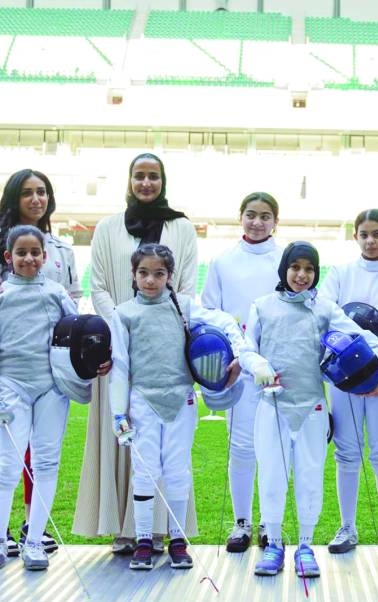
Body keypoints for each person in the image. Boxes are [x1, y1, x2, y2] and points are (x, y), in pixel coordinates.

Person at [73, 153, 199, 555]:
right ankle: (125, 530)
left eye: (154, 176)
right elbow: (100, 289)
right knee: (126, 436)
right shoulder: (108, 228)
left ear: (163, 180)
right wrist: (120, 329)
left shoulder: (181, 227)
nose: (146, 183)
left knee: (170, 452)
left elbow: (188, 287)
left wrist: (157, 322)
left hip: (165, 357)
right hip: (119, 353)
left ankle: (162, 530)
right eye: (139, 176)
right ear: (129, 180)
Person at [238, 241, 378, 578]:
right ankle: (274, 544)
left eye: (309, 269)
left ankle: (305, 546)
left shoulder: (324, 308)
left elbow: (362, 335)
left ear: (316, 273)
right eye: (296, 268)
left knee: (309, 477)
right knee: (273, 475)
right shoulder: (262, 306)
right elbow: (246, 349)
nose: (302, 275)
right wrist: (258, 364)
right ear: (285, 269)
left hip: (312, 407)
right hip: (272, 406)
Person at [0, 169, 81, 557]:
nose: (36, 199)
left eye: (42, 192)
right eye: (28, 193)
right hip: (10, 371)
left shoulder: (62, 250)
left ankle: (36, 529)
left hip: (49, 376)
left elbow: (75, 309)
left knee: (45, 456)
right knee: (4, 457)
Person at [110, 243, 246, 570]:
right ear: (133, 274)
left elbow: (226, 322)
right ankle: (144, 540)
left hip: (182, 400)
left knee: (177, 470)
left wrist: (238, 354)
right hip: (142, 401)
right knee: (145, 471)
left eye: (159, 274)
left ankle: (178, 541)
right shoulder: (124, 314)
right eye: (143, 273)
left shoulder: (183, 307)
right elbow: (120, 366)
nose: (150, 280)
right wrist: (118, 412)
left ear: (169, 276)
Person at [318, 209, 378, 555]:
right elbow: (326, 314)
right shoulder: (340, 274)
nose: (370, 240)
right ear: (356, 236)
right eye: (364, 234)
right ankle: (347, 528)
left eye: (377, 233)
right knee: (346, 451)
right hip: (344, 374)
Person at [201, 192, 284, 552]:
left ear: (275, 222)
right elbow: (210, 313)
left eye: (265, 216)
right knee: (241, 447)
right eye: (251, 214)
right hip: (237, 369)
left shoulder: (285, 260)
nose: (257, 222)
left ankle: (270, 523)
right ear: (241, 217)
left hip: (276, 370)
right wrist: (232, 357)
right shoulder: (222, 262)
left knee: (272, 448)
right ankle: (242, 523)